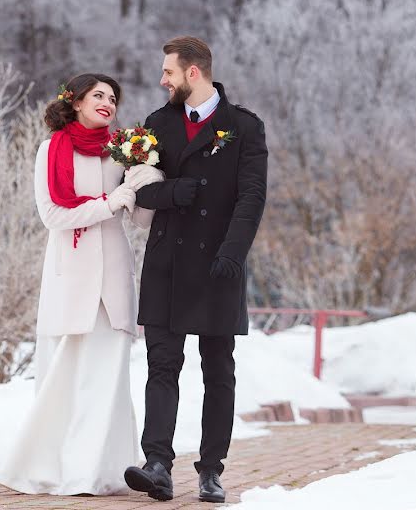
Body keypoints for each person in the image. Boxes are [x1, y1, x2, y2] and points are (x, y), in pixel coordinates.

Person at [0, 73, 164, 496]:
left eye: (113, 97)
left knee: (107, 379)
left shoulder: (122, 151)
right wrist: (110, 202)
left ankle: (98, 473)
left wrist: (147, 179)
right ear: (75, 102)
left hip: (113, 280)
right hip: (70, 276)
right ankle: (55, 468)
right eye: (98, 95)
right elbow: (53, 215)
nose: (108, 102)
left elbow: (140, 219)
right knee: (65, 377)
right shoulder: (51, 150)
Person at [123, 36, 268, 503]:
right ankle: (158, 464)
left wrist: (233, 253)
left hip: (219, 265)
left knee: (217, 370)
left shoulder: (244, 126)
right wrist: (173, 193)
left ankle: (210, 471)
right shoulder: (156, 124)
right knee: (161, 365)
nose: (161, 79)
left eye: (168, 71)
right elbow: (139, 191)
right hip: (166, 263)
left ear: (193, 73)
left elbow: (252, 197)